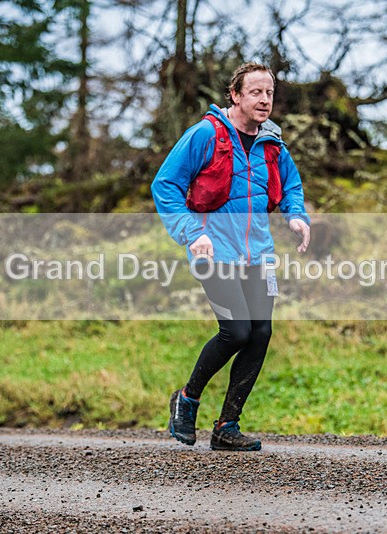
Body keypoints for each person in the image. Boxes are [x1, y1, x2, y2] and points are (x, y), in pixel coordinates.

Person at [151, 62, 310, 451]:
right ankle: (186, 400)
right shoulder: (206, 134)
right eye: (255, 92)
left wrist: (297, 216)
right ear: (235, 95)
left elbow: (290, 185)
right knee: (236, 330)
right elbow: (165, 185)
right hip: (214, 250)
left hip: (258, 253)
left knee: (259, 334)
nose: (264, 100)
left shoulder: (272, 143)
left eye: (269, 93)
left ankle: (226, 426)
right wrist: (192, 234)